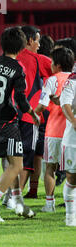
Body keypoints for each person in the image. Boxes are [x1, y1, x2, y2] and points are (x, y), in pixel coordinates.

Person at [0, 26, 40, 222]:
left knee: (10, 163)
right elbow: (22, 100)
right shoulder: (18, 68)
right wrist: (33, 113)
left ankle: (19, 204)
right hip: (7, 122)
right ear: (22, 47)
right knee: (16, 165)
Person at [34, 47, 74, 212]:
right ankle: (72, 203)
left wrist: (33, 112)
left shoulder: (51, 81)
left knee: (50, 168)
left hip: (54, 132)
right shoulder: (74, 80)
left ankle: (49, 204)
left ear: (57, 65)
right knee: (73, 170)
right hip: (72, 133)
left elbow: (42, 106)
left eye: (51, 62)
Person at [16, 26, 52, 199]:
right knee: (29, 156)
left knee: (20, 155)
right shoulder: (40, 60)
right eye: (37, 40)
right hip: (30, 116)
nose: (39, 44)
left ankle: (30, 191)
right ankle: (18, 197)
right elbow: (62, 74)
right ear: (30, 40)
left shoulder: (10, 58)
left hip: (10, 115)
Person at [60, 70, 76, 226]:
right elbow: (64, 103)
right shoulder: (72, 82)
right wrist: (73, 121)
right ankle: (71, 217)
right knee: (72, 178)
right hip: (73, 139)